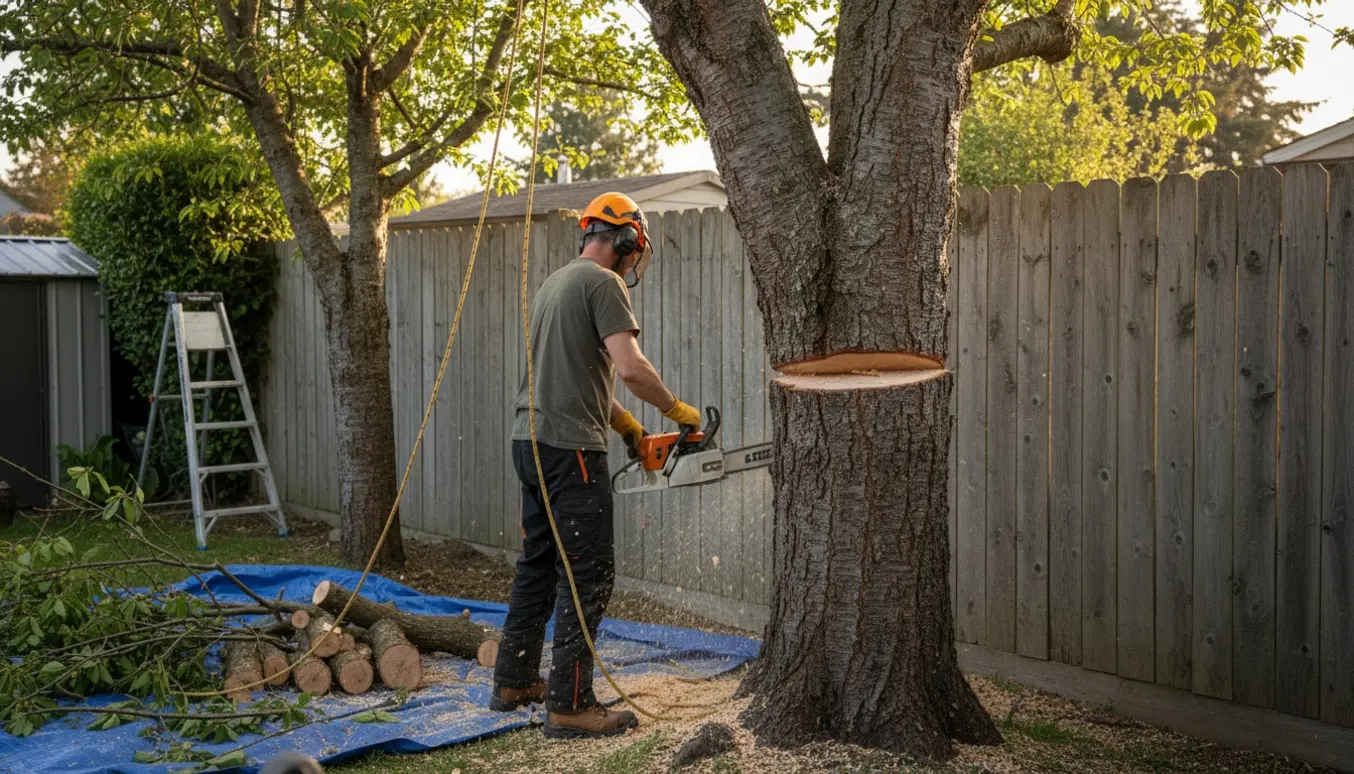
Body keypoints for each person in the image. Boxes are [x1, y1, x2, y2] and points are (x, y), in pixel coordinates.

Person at [488, 192, 700, 738]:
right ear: (627, 241)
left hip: (529, 440)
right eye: (634, 249)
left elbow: (579, 379)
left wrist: (629, 427)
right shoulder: (604, 284)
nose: (633, 260)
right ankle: (570, 704)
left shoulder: (555, 284)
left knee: (538, 563)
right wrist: (676, 410)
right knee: (588, 573)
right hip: (571, 449)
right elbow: (630, 368)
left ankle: (512, 679)